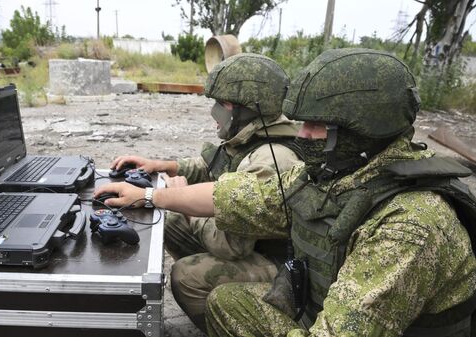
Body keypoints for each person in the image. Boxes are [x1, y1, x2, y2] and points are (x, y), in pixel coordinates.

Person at [96, 48, 476, 336]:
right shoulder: (341, 173)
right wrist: (149, 197)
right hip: (324, 299)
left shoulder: (412, 224)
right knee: (228, 303)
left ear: (363, 130)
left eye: (317, 126)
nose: (303, 134)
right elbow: (235, 196)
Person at [108, 53, 302, 331]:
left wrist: (182, 202)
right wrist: (167, 166)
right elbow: (217, 165)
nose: (216, 113)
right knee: (171, 221)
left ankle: (227, 324)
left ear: (245, 108)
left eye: (223, 104)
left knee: (187, 276)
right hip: (249, 242)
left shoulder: (272, 158)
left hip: (278, 261)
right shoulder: (256, 134)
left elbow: (231, 245)